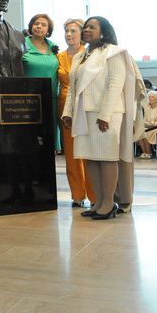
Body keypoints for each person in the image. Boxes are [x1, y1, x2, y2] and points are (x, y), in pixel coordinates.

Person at [61, 16, 144, 220]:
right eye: (85, 27)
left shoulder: (114, 53)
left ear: (104, 31)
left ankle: (109, 203)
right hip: (84, 113)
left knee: (107, 157)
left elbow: (116, 83)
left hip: (108, 113)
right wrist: (68, 112)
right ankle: (98, 201)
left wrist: (105, 114)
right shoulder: (81, 56)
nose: (86, 30)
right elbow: (73, 87)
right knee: (90, 158)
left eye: (92, 27)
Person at [57, 19, 94, 207]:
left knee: (89, 151)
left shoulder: (89, 55)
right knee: (71, 153)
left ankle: (95, 195)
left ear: (82, 34)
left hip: (86, 104)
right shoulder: (59, 56)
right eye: (66, 31)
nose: (69, 34)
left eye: (73, 31)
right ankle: (77, 195)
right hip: (65, 107)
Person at [23, 13, 60, 151]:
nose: (39, 26)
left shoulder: (54, 47)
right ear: (31, 26)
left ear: (48, 30)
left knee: (48, 139)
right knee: (31, 140)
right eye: (36, 23)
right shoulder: (21, 45)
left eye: (43, 24)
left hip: (51, 97)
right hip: (28, 99)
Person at [138, 91, 157, 159]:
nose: (150, 98)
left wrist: (155, 125)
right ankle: (144, 152)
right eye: (149, 97)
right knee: (140, 131)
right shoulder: (146, 108)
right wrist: (148, 124)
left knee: (147, 131)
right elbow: (145, 120)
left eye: (152, 97)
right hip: (149, 125)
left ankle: (149, 152)